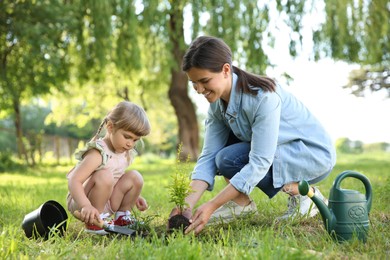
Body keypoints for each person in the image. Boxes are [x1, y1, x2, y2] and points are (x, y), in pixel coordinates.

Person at [170, 36, 336, 235]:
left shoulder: (263, 98)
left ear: (225, 70)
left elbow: (259, 162)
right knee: (221, 155)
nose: (199, 90)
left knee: (227, 158)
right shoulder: (217, 104)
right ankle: (240, 204)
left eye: (204, 81)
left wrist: (212, 205)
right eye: (194, 83)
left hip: (310, 155)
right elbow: (208, 157)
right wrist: (186, 204)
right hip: (280, 152)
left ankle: (305, 197)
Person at [66, 101, 151, 235]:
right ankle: (94, 221)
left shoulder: (125, 152)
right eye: (127, 137)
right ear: (110, 127)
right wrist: (85, 205)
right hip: (81, 201)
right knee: (104, 175)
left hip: (106, 198)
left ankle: (122, 218)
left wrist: (134, 196)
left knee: (135, 177)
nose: (130, 144)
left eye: (135, 140)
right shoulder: (98, 152)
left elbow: (118, 178)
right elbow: (74, 180)